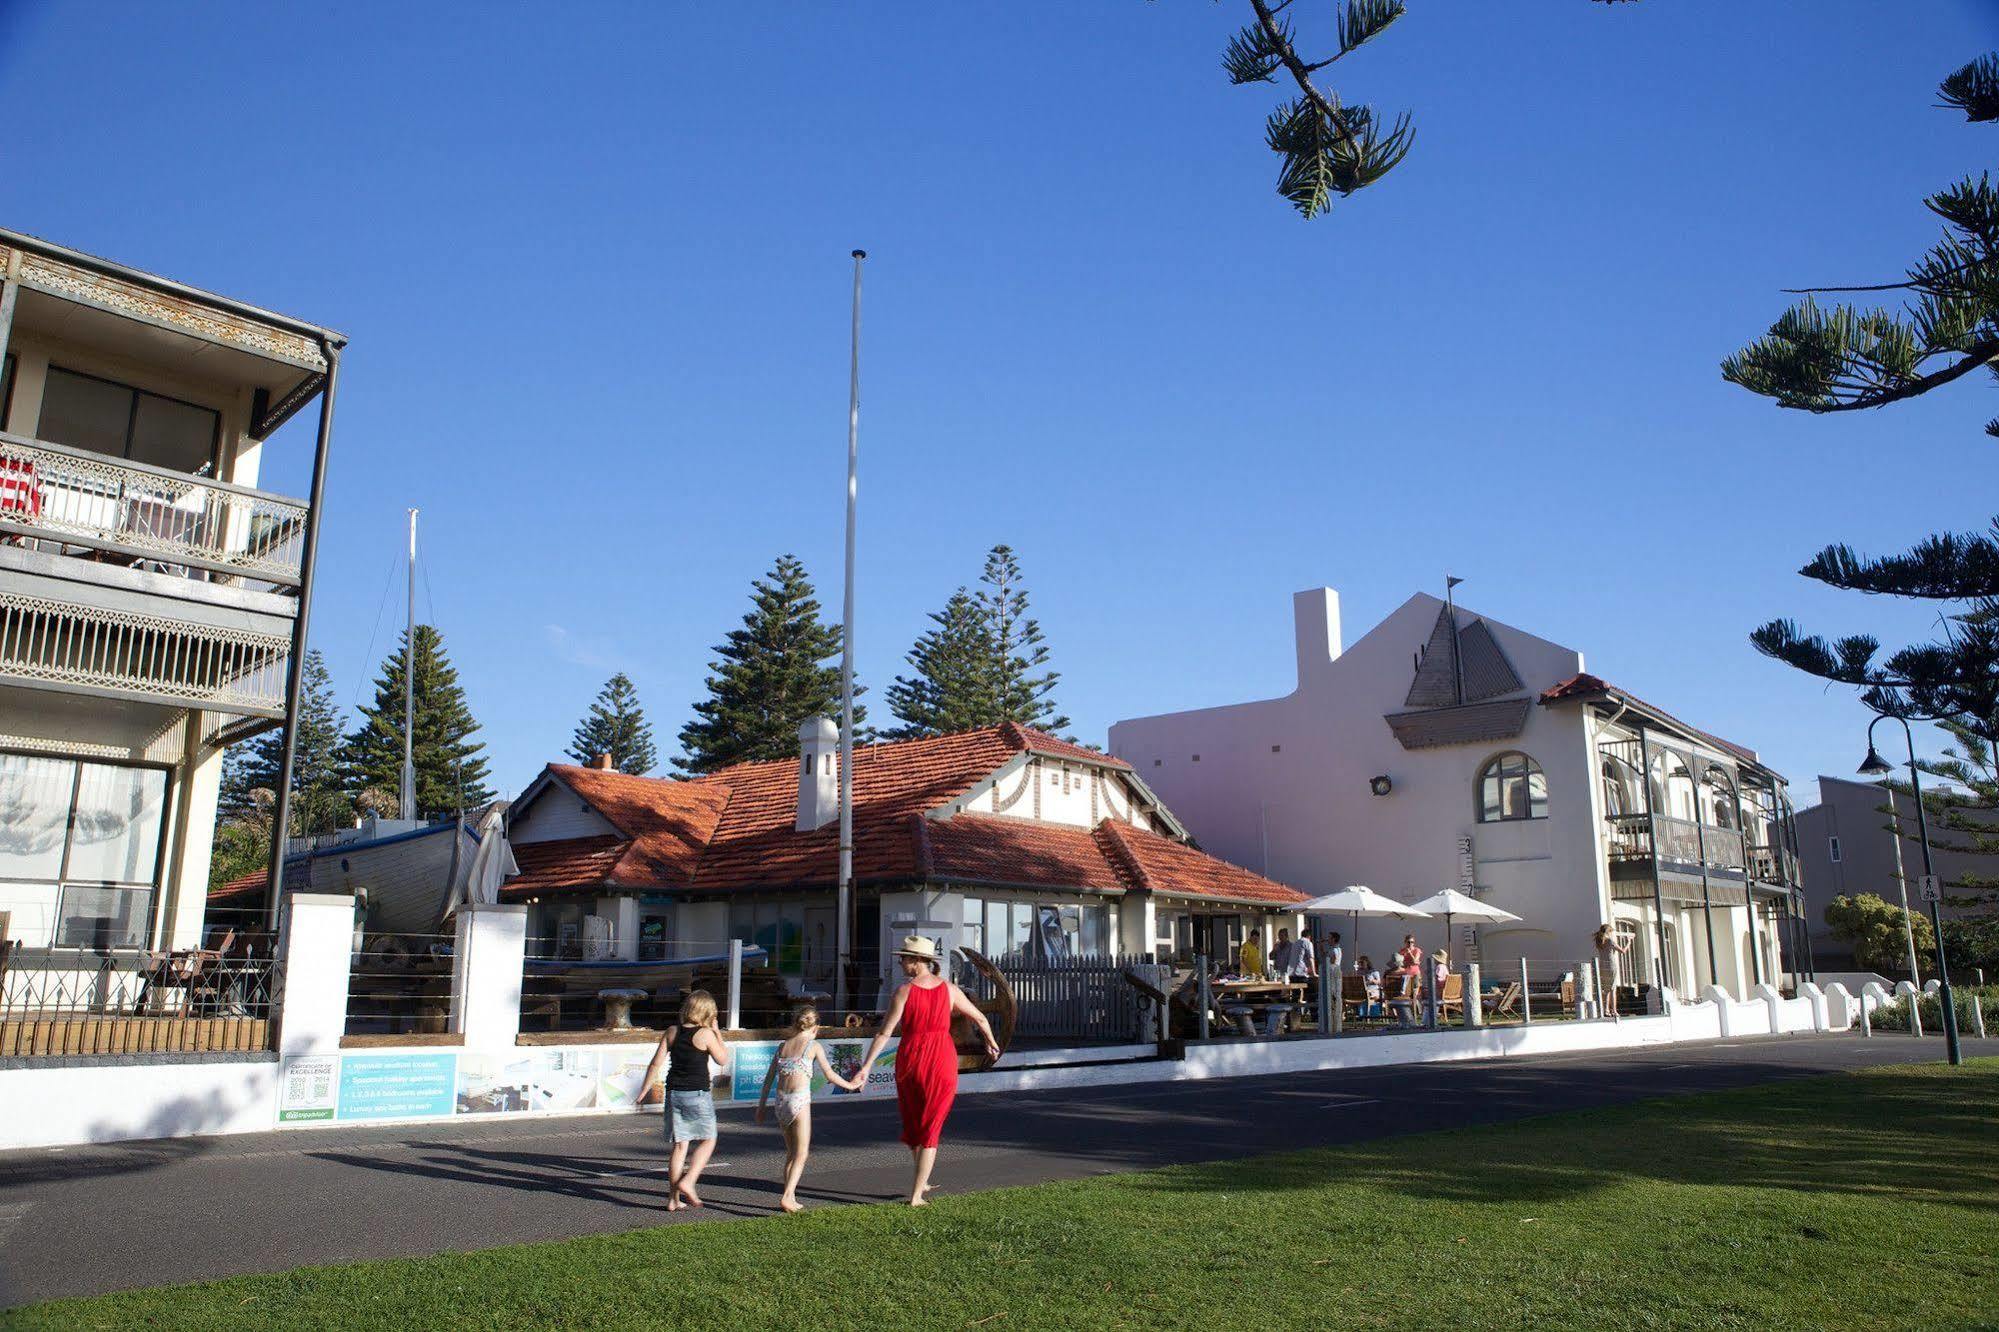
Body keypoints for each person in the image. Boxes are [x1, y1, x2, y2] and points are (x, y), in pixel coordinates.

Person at [859, 936, 1000, 1206]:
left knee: (915, 1123)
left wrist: (866, 1067)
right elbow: (980, 1017)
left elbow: (884, 1033)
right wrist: (991, 1043)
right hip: (940, 1060)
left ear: (916, 961)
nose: (900, 962)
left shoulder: (903, 992)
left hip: (910, 1059)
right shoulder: (949, 990)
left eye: (903, 958)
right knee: (930, 1127)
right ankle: (916, 1195)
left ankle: (920, 1183)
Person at [755, 1004, 863, 1212]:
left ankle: (790, 1194)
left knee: (790, 1152)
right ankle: (787, 1196)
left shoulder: (783, 1046)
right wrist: (851, 1085)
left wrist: (761, 1106)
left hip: (780, 1101)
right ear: (816, 1027)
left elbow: (768, 1079)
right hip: (799, 1100)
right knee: (802, 1153)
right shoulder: (813, 1046)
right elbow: (830, 1075)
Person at [640, 988, 731, 1211]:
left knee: (680, 1147)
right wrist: (717, 1033)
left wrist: (643, 1091)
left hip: (674, 1093)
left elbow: (655, 1063)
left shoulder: (672, 1031)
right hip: (697, 1093)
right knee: (709, 1139)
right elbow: (722, 1059)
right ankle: (689, 1181)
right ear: (708, 1013)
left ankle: (673, 1199)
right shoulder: (705, 1034)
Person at [1594, 922, 1632, 1020]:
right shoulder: (1610, 941)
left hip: (1602, 967)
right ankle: (1614, 1010)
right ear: (1608, 932)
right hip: (1611, 966)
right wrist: (1628, 943)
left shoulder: (1599, 941)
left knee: (1606, 989)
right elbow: (1623, 951)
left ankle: (1606, 1010)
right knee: (1613, 989)